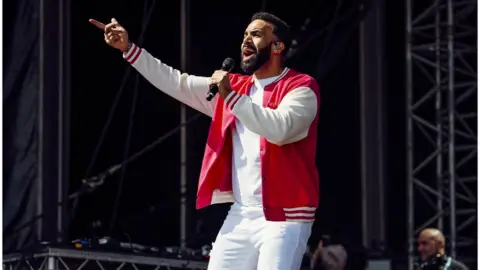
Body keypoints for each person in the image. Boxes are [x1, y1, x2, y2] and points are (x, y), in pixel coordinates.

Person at [90, 12, 320, 270]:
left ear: (277, 46)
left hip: (286, 217)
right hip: (242, 213)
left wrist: (231, 97)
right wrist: (129, 49)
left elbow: (279, 129)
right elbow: (177, 82)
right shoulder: (235, 88)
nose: (246, 40)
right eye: (244, 34)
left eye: (255, 34)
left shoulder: (301, 88)